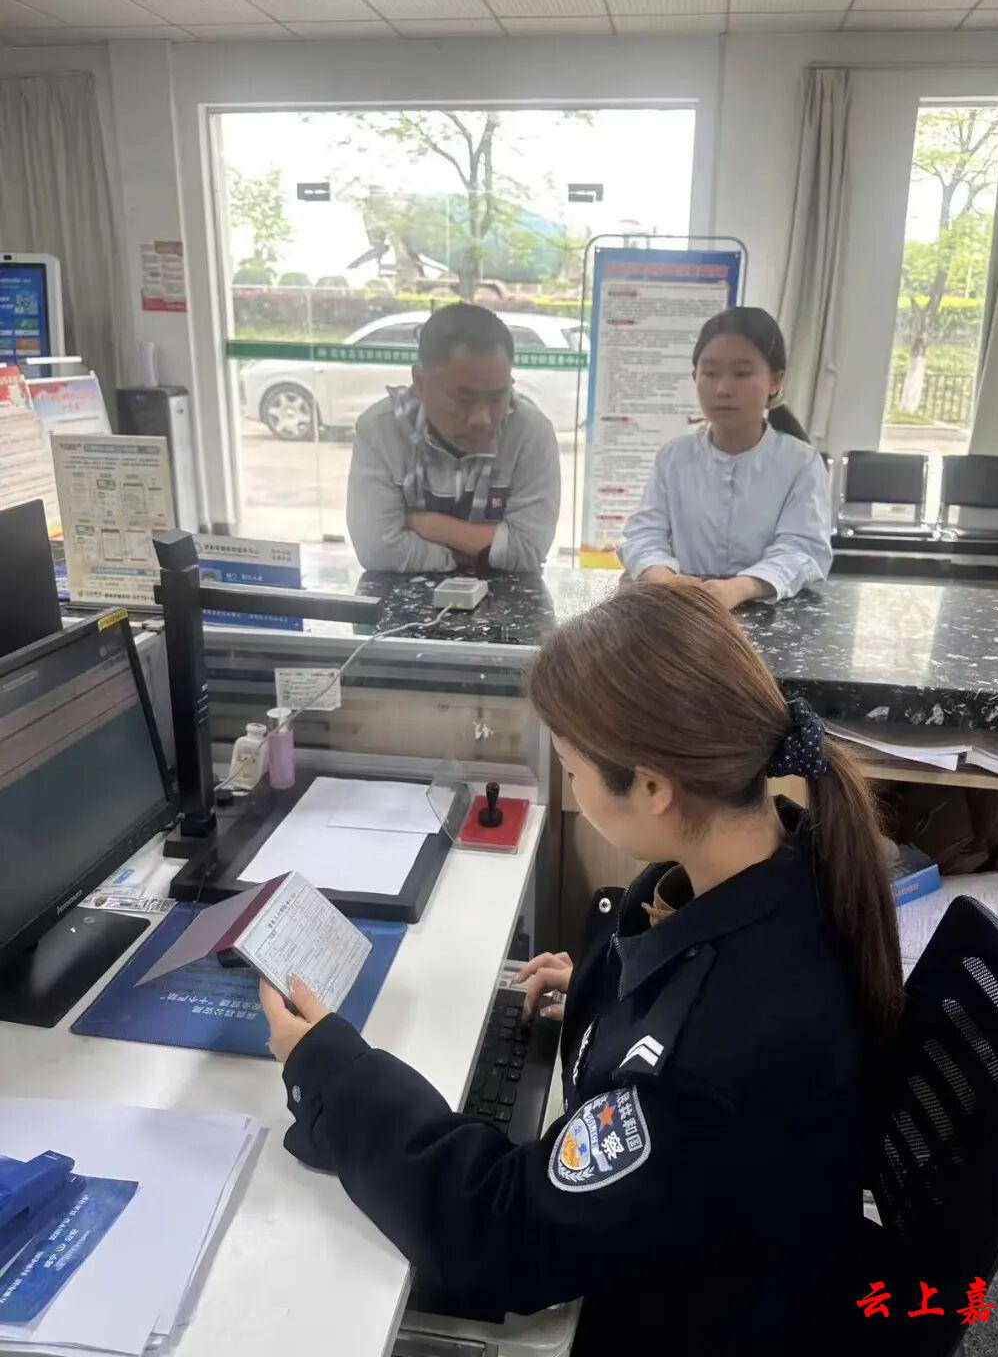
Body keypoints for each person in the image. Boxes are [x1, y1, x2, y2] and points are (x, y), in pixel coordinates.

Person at [261, 582, 903, 1355]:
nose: (567, 785)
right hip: (738, 1251)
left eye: (571, 768)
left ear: (654, 787)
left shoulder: (715, 1055)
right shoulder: (793, 865)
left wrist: (329, 1072)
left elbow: (498, 1236)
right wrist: (606, 995)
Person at [618, 306, 832, 610]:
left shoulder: (801, 462)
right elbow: (644, 534)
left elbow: (803, 549)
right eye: (710, 373)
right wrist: (661, 577)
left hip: (769, 608)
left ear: (775, 381)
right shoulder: (673, 458)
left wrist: (740, 588)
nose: (723, 389)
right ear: (695, 376)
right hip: (683, 608)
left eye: (742, 374)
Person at [346, 303, 560, 574]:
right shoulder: (381, 430)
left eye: (497, 398)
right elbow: (376, 550)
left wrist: (428, 526)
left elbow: (528, 550)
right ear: (420, 383)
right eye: (463, 399)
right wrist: (469, 558)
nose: (482, 418)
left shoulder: (531, 433)